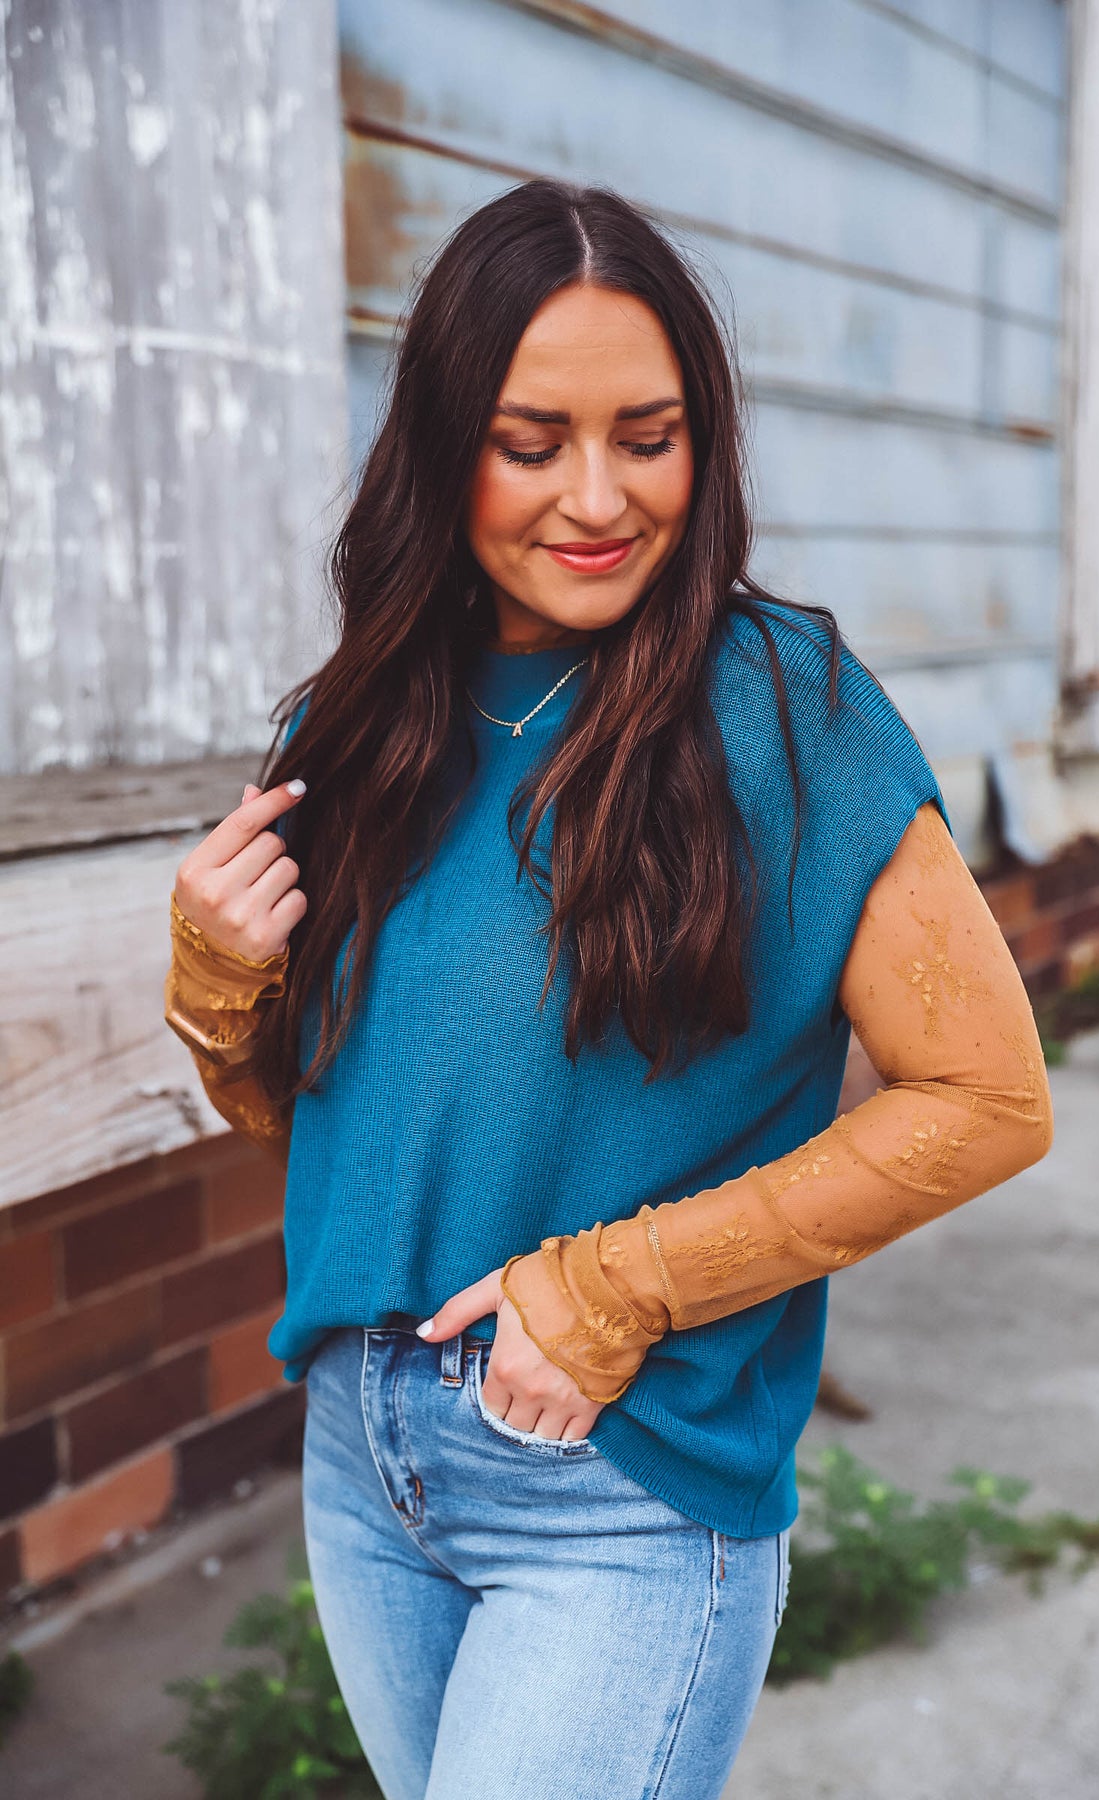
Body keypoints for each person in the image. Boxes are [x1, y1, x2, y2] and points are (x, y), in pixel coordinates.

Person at [164, 179, 1053, 1800]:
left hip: (619, 1480)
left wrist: (622, 1282)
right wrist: (218, 984)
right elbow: (328, 1121)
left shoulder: (791, 713)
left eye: (648, 436)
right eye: (531, 440)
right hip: (364, 1467)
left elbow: (988, 1101)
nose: (599, 497)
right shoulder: (357, 724)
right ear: (443, 445)